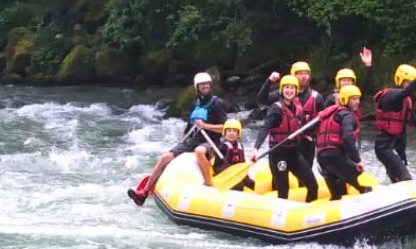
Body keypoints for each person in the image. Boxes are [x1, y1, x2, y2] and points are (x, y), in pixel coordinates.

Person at [128, 72, 227, 205]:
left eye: (207, 84)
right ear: (197, 87)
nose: (204, 86)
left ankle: (208, 183)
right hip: (193, 139)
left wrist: (206, 126)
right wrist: (184, 136)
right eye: (202, 84)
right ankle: (143, 193)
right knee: (165, 157)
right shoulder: (196, 103)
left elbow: (225, 128)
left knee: (199, 151)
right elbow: (190, 125)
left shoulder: (218, 103)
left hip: (211, 141)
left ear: (210, 85)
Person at [249, 74, 319, 202]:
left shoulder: (298, 107)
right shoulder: (276, 109)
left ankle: (308, 215)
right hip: (278, 155)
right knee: (283, 192)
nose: (289, 90)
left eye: (292, 88)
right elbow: (265, 128)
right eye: (286, 87)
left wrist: (306, 135)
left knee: (313, 185)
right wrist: (255, 148)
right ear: (281, 90)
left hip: (294, 153)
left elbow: (299, 125)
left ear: (296, 90)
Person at [257, 60, 325, 166]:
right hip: (284, 144)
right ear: (293, 75)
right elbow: (261, 99)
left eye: (306, 73)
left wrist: (310, 134)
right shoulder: (283, 94)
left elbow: (323, 120)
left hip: (306, 143)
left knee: (305, 175)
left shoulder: (317, 98)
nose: (303, 76)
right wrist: (269, 81)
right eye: (300, 73)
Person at [316, 85, 373, 200]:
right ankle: (364, 192)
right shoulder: (347, 115)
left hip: (321, 157)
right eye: (353, 99)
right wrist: (357, 161)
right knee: (359, 175)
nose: (357, 102)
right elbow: (347, 137)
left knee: (336, 196)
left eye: (358, 98)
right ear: (345, 99)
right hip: (335, 156)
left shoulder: (329, 114)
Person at [213, 119, 256, 191]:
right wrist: (228, 172)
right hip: (225, 174)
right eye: (229, 131)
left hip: (237, 173)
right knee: (239, 186)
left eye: (234, 131)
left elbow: (242, 162)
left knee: (250, 183)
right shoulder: (222, 147)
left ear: (238, 133)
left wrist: (245, 174)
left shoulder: (240, 146)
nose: (231, 133)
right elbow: (216, 167)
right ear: (225, 132)